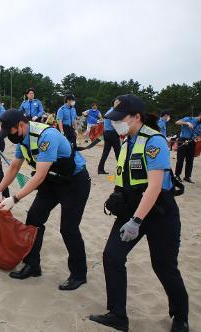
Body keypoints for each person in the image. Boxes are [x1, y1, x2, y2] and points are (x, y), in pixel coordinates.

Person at [89, 94, 189, 332]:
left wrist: (136, 221)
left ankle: (180, 316)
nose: (115, 123)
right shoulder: (126, 140)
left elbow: (154, 187)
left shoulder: (153, 141)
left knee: (163, 266)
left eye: (120, 118)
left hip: (159, 211)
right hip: (132, 208)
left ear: (136, 117)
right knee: (112, 256)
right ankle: (117, 315)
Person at [0, 109, 90, 291]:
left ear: (21, 125)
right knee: (34, 219)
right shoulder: (22, 140)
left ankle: (78, 274)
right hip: (52, 181)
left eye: (10, 132)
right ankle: (33, 265)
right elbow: (13, 168)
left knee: (68, 228)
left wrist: (15, 198)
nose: (10, 137)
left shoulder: (46, 136)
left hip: (74, 183)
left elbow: (39, 176)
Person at [174, 112, 200, 184]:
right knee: (180, 160)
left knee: (190, 161)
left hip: (192, 142)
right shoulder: (189, 118)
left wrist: (198, 137)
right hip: (183, 140)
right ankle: (177, 175)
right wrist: (187, 123)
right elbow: (177, 122)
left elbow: (199, 134)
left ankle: (187, 177)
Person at [97, 108, 121, 174]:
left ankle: (100, 169)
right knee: (118, 152)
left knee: (105, 152)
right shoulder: (113, 112)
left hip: (106, 132)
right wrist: (122, 130)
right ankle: (122, 169)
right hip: (112, 133)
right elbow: (114, 124)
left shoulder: (108, 111)